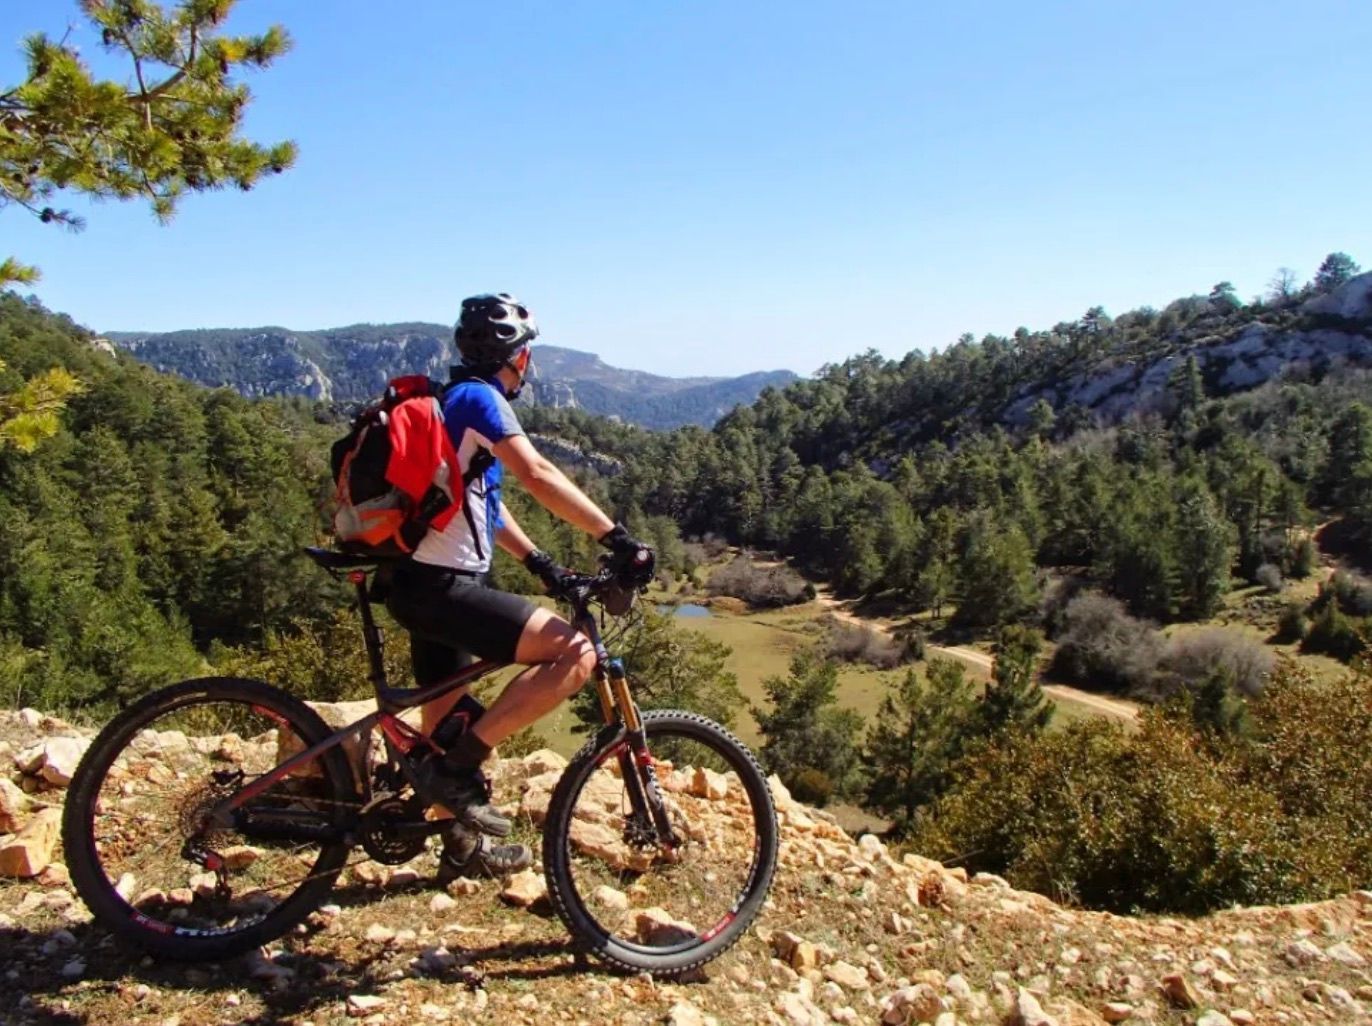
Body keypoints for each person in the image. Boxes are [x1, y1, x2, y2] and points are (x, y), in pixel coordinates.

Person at [384, 292, 654, 880]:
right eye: (527, 352)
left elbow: (484, 508)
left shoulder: (450, 400)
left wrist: (542, 565)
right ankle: (458, 775)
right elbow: (538, 474)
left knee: (445, 726)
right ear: (516, 357)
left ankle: (460, 844)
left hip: (415, 586)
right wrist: (620, 541)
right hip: (442, 589)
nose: (528, 364)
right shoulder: (481, 398)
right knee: (575, 653)